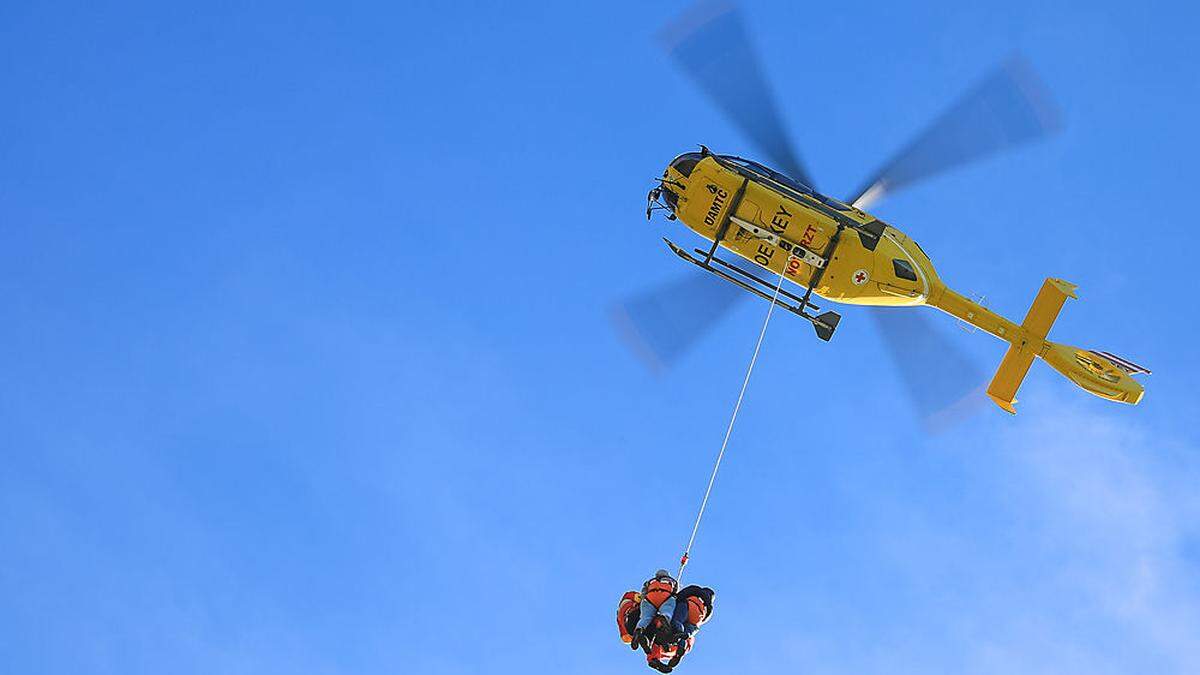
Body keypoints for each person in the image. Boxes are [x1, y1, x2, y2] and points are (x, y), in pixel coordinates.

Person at [632, 569, 679, 648]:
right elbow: (675, 591)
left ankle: (639, 630)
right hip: (665, 596)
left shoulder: (650, 581)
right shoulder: (672, 581)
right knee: (667, 611)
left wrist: (644, 600)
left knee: (645, 617)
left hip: (649, 598)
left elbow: (643, 592)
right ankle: (664, 619)